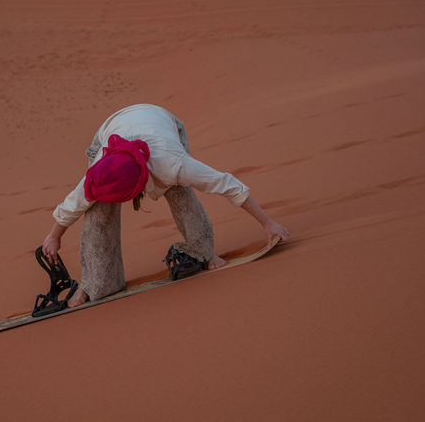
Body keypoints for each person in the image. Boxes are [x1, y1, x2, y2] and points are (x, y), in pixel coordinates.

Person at [42, 104, 289, 307]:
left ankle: (202, 250)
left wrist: (268, 223)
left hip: (163, 124)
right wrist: (54, 236)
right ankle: (94, 283)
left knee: (179, 190)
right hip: (111, 129)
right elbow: (74, 203)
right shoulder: (100, 167)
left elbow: (226, 184)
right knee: (98, 210)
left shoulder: (173, 164)